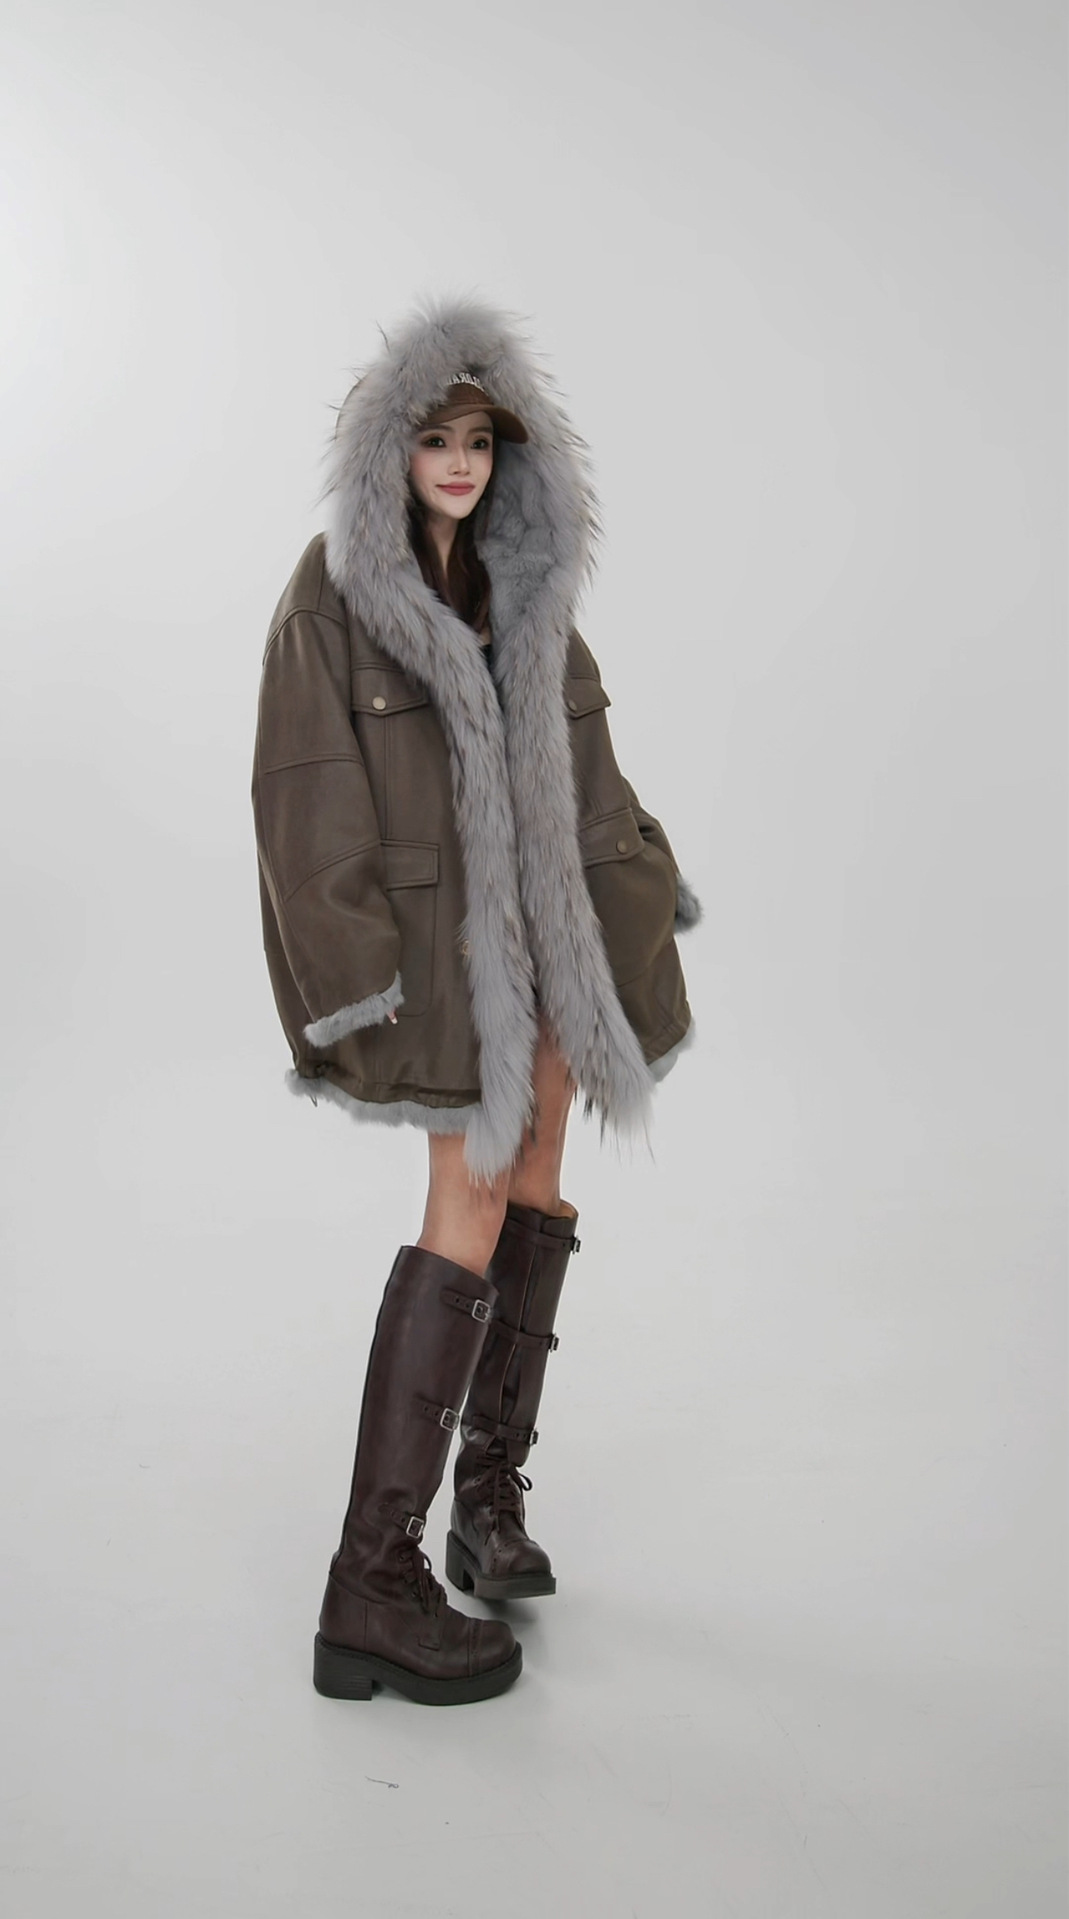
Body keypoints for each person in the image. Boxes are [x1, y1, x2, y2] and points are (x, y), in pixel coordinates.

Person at [251, 297, 701, 1706]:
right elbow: (301, 795)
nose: (459, 462)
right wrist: (352, 974)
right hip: (446, 954)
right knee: (472, 1193)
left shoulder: (526, 588)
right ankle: (368, 1582)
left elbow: (589, 771)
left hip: (550, 942)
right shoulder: (336, 591)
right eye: (435, 438)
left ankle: (484, 1505)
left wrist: (648, 886)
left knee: (543, 1173)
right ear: (390, 448)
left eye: (480, 441)